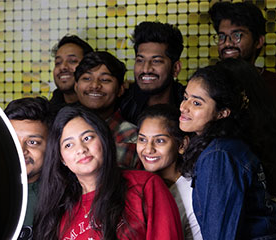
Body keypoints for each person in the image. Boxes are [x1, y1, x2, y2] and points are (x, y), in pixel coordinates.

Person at [179, 59, 276, 240]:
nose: (185, 106)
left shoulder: (224, 152)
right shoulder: (216, 140)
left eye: (198, 101)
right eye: (186, 98)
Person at [33, 106, 183, 240]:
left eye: (87, 138)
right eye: (69, 145)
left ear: (104, 140)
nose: (81, 149)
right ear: (62, 158)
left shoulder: (145, 186)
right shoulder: (57, 209)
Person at [209, 2, 276, 150]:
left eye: (237, 35)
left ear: (258, 41)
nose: (227, 43)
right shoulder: (205, 83)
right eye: (222, 36)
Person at [136, 104, 202, 240]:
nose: (148, 149)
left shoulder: (193, 195)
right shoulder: (133, 184)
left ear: (182, 145)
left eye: (159, 141)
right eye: (142, 139)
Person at [74, 51, 138, 168]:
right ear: (76, 87)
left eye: (105, 80)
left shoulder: (133, 137)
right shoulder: (63, 131)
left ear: (120, 89)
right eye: (87, 78)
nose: (94, 85)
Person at [4, 97, 53, 239]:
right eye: (12, 139)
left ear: (51, 146)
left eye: (32, 142)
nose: (21, 150)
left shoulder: (66, 197)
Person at [119, 21, 185, 125]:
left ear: (176, 68)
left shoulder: (188, 104)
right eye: (140, 60)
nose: (146, 69)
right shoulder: (122, 102)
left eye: (156, 61)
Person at [50, 34, 94, 109]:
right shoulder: (47, 112)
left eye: (72, 61)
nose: (63, 67)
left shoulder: (103, 109)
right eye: (58, 63)